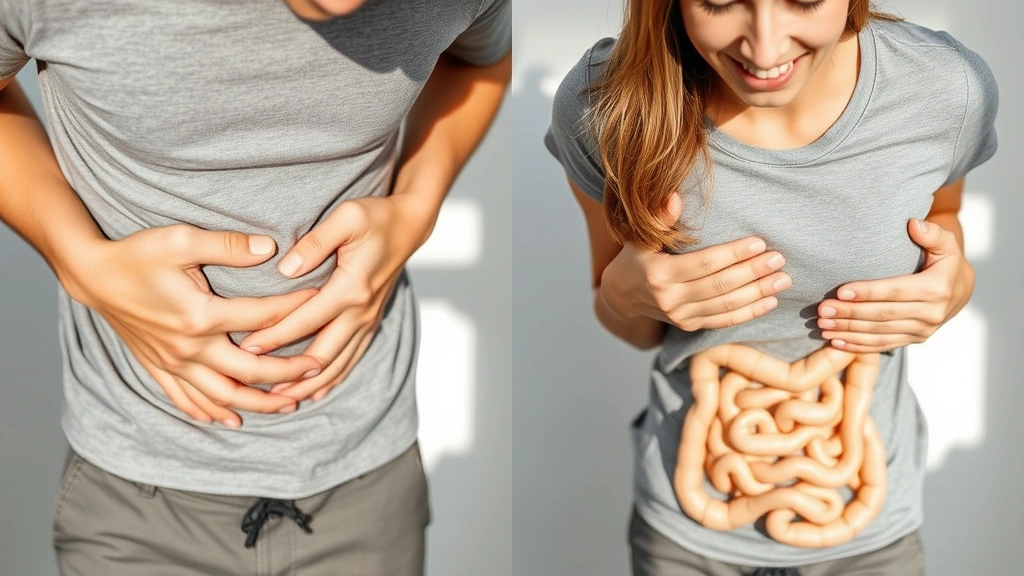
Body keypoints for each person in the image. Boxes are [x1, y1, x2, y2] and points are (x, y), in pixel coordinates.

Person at [0, 0, 510, 573]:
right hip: (135, 492)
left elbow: (480, 60)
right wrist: (77, 260)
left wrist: (418, 203)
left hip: (367, 480)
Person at [545, 0, 997, 574]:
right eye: (719, 0)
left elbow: (944, 220)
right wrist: (622, 294)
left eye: (803, 0)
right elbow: (630, 325)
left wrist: (956, 287)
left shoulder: (945, 88)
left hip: (873, 533)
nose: (764, 49)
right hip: (684, 537)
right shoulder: (604, 105)